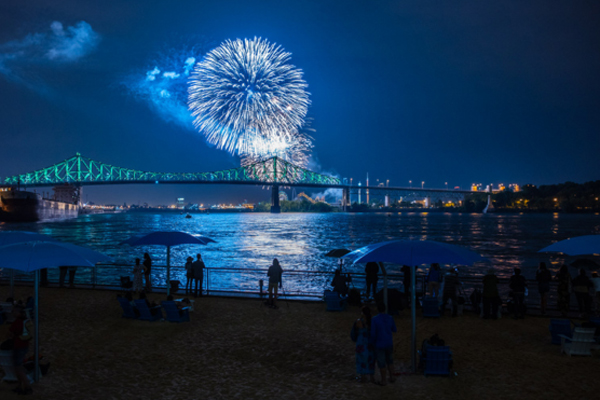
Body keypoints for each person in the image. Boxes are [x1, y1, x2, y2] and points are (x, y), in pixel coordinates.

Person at [370, 302, 396, 386]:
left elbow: (373, 334)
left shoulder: (374, 319)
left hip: (379, 343)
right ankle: (392, 377)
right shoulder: (390, 318)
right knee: (390, 361)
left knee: (382, 363)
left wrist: (371, 342)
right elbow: (394, 329)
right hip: (389, 342)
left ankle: (383, 380)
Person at [8, 305, 33, 395]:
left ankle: (27, 387)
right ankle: (20, 386)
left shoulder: (16, 323)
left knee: (18, 367)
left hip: (18, 346)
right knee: (19, 366)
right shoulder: (25, 320)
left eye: (14, 311)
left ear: (18, 313)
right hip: (24, 345)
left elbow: (10, 334)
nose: (13, 313)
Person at [353, 306, 375, 383]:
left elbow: (354, 332)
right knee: (371, 359)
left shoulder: (358, 321)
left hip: (361, 342)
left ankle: (363, 377)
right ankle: (371, 377)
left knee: (361, 360)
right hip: (369, 342)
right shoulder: (372, 321)